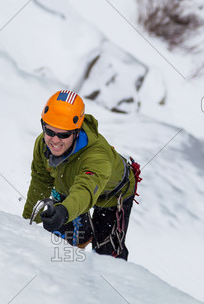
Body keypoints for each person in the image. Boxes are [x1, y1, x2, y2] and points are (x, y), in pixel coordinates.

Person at [22, 89, 140, 260]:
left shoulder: (97, 157)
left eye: (64, 134)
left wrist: (64, 211)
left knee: (106, 255)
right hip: (70, 185)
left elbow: (85, 190)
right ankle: (82, 232)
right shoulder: (42, 144)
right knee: (61, 234)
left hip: (112, 194)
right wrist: (27, 223)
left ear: (76, 132)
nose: (54, 140)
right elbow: (41, 180)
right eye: (49, 131)